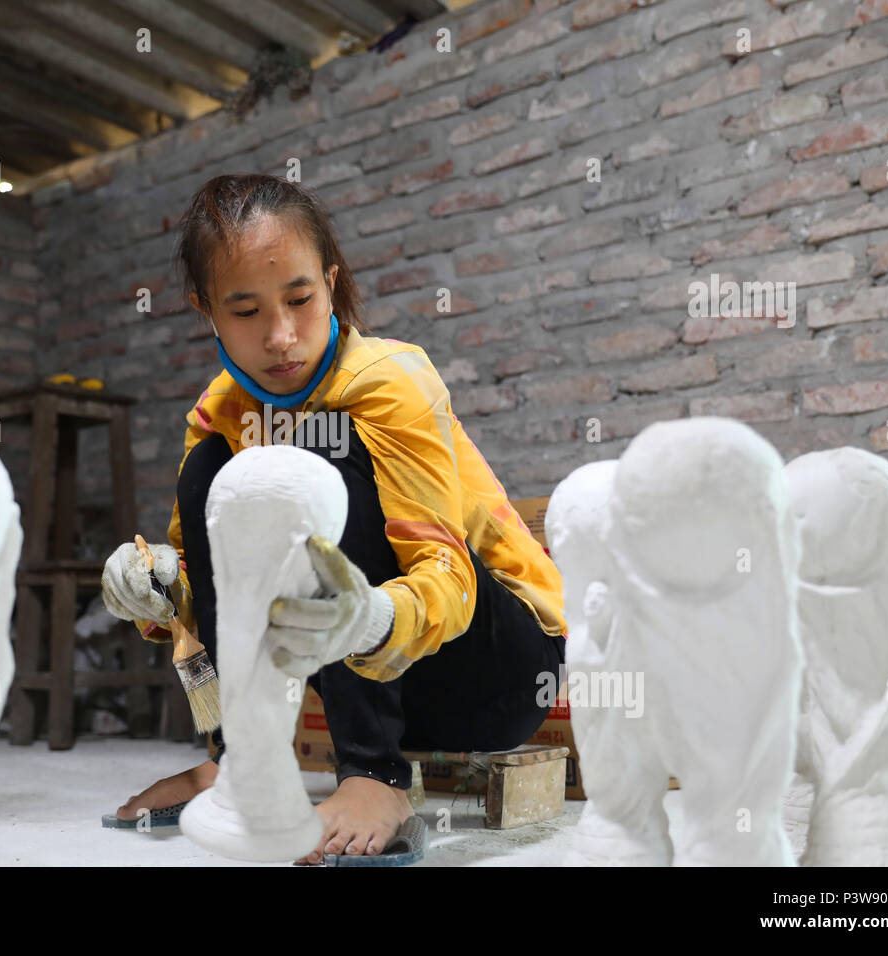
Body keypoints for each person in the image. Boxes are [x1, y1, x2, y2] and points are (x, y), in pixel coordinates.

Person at [101, 173, 566, 864]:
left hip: (493, 670)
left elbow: (447, 576)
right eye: (246, 310)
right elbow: (217, 587)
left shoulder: (390, 381)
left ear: (330, 281)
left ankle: (374, 774)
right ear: (207, 310)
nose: (282, 335)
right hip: (370, 673)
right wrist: (158, 587)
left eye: (299, 299)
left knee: (322, 453)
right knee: (216, 476)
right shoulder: (218, 416)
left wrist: (371, 617)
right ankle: (240, 762)